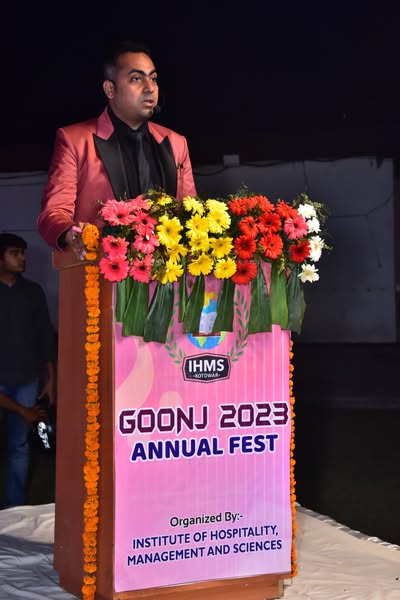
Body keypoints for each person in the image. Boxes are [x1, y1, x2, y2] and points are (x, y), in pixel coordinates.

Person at [37, 39, 197, 254]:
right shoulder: (75, 140)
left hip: (167, 268)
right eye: (136, 79)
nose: (150, 88)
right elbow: (53, 214)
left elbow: (191, 213)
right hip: (101, 265)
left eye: (153, 78)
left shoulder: (176, 143)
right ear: (110, 89)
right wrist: (71, 233)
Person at [0, 233, 57, 507]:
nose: (22, 258)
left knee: (19, 446)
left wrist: (51, 379)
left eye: (23, 253)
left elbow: (45, 336)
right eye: (15, 253)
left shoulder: (33, 292)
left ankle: (15, 508)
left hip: (26, 379)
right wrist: (24, 411)